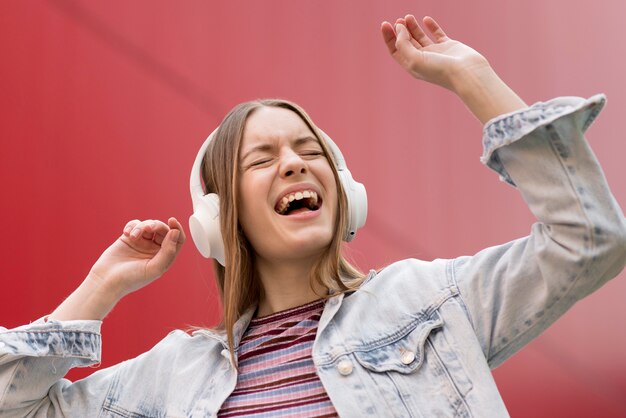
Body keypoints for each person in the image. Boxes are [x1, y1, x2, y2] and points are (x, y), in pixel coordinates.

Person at [1, 14, 625, 418]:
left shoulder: (428, 303)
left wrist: (474, 79)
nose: (296, 165)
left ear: (344, 192)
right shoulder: (168, 379)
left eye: (309, 152)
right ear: (220, 221)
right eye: (263, 159)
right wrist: (101, 287)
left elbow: (588, 239)